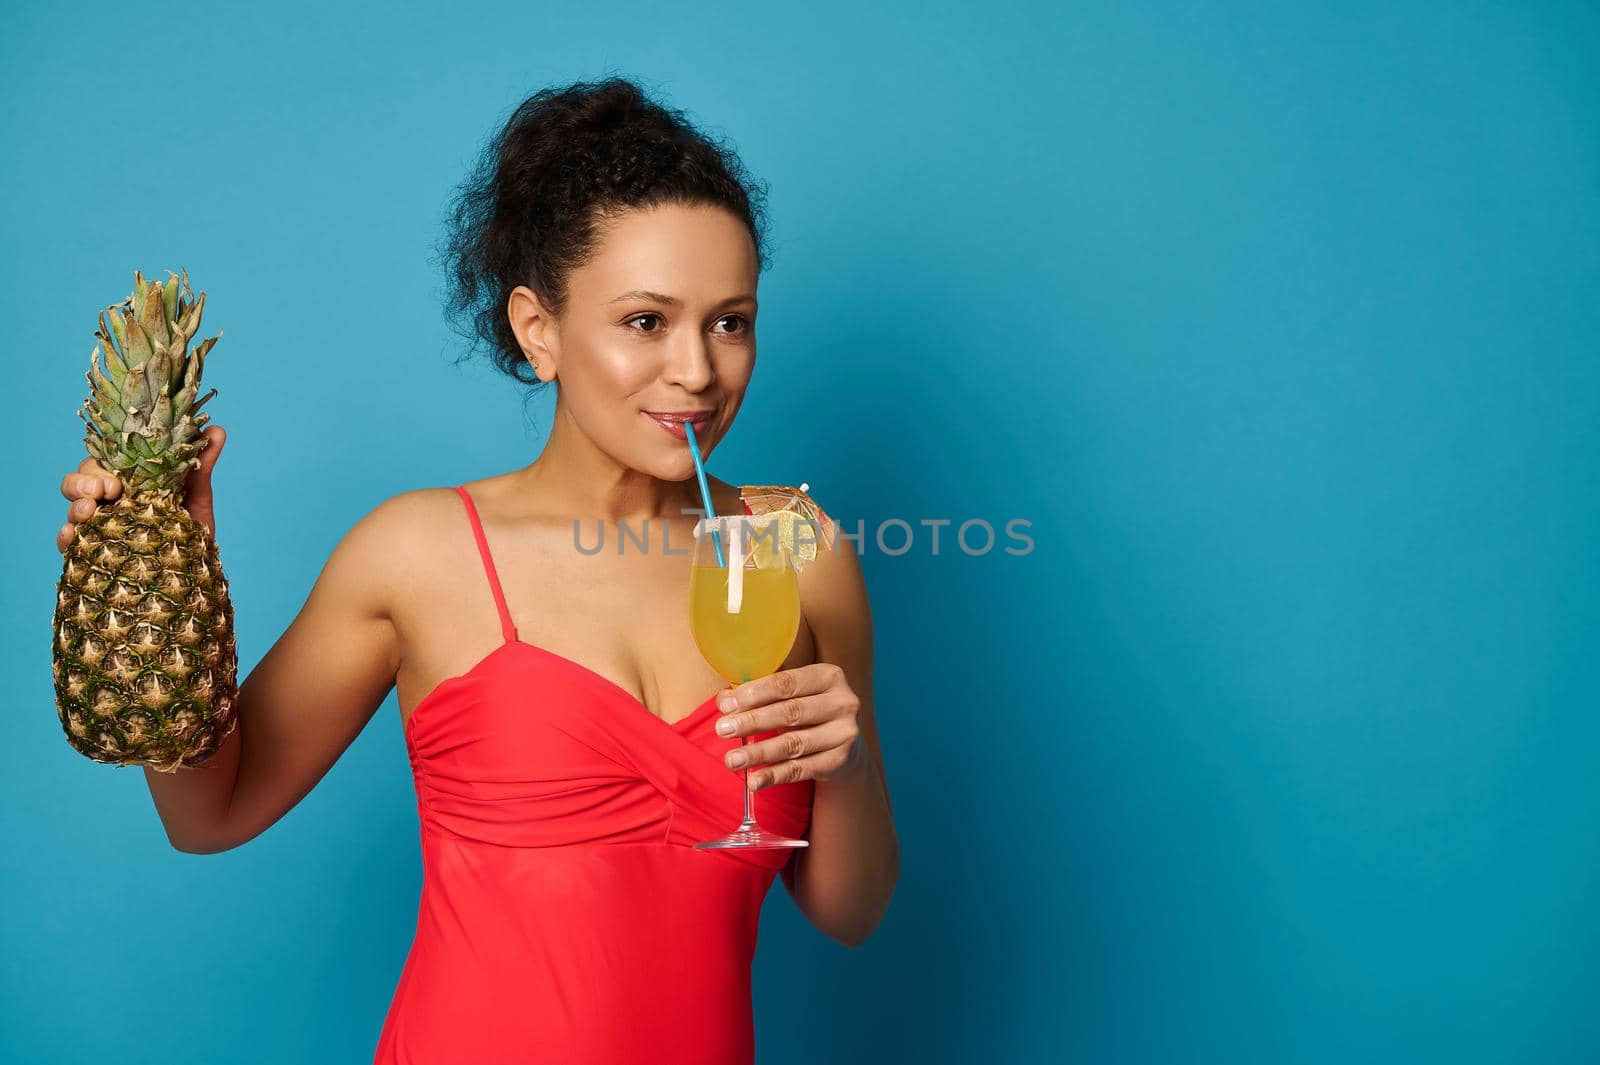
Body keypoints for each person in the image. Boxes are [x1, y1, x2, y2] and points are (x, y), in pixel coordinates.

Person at [54, 76, 898, 1063]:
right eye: (644, 321)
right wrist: (162, 604)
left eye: (729, 320)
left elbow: (850, 911)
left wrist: (848, 763)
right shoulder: (418, 552)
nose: (698, 371)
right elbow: (211, 816)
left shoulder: (795, 548)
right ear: (538, 330)